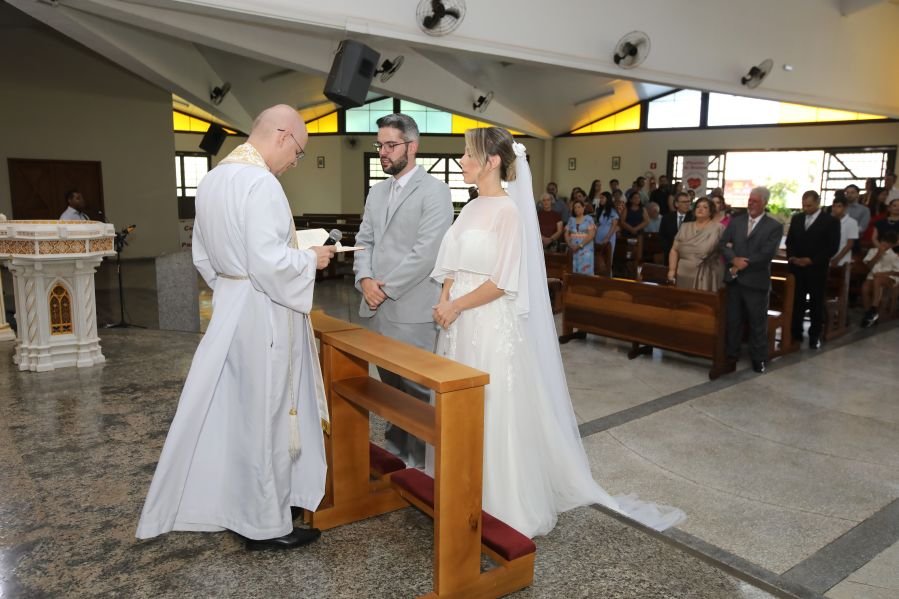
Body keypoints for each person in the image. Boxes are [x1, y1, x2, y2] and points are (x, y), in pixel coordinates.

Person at [430, 126, 684, 538]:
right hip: (457, 324)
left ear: (491, 162)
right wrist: (445, 299)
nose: (461, 160)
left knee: (492, 406)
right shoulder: (471, 207)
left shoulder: (509, 213)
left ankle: (498, 500)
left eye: (467, 154)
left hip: (488, 323)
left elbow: (503, 282)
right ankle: (458, 486)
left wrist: (456, 305)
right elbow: (452, 263)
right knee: (457, 405)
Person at [137, 105, 335, 549]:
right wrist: (311, 258)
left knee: (241, 413)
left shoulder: (213, 179)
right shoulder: (262, 184)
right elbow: (269, 263)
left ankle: (246, 505)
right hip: (264, 312)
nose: (295, 163)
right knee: (267, 415)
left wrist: (233, 287)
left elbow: (204, 257)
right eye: (298, 153)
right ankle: (265, 526)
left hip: (231, 307)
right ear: (282, 136)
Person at [353, 113, 454, 468]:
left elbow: (427, 252)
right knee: (389, 392)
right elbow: (364, 240)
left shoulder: (435, 191)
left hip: (412, 310)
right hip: (377, 310)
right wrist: (365, 280)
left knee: (417, 393)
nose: (382, 152)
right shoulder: (377, 191)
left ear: (412, 147)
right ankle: (397, 457)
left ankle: (422, 466)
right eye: (379, 145)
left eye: (390, 145)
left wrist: (385, 288)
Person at [719, 186, 783, 374]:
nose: (751, 203)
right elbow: (723, 244)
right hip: (735, 280)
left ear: (764, 203)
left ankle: (758, 358)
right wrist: (733, 259)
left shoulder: (774, 226)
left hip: (756, 281)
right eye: (749, 200)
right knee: (733, 320)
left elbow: (767, 253)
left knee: (757, 322)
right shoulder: (736, 222)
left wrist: (744, 263)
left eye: (755, 201)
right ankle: (732, 354)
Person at [786, 190, 841, 349]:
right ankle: (795, 333)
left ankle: (814, 334)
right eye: (804, 205)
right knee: (797, 301)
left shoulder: (830, 221)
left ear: (817, 202)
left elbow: (832, 246)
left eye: (809, 205)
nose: (806, 208)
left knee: (816, 302)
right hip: (797, 267)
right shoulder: (797, 218)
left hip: (816, 268)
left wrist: (812, 260)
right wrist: (793, 257)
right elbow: (790, 241)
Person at [667, 197, 723, 291]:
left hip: (706, 274)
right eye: (698, 207)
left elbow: (726, 249)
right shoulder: (685, 227)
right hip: (683, 272)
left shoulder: (718, 228)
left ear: (711, 211)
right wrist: (672, 270)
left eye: (705, 207)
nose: (700, 209)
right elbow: (674, 250)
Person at [860, 231, 899, 327]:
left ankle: (874, 308)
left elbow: (897, 272)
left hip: (889, 278)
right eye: (883, 241)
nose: (884, 244)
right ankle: (869, 315)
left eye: (888, 243)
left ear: (892, 245)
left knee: (877, 279)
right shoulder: (872, 251)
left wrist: (883, 274)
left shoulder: (894, 256)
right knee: (865, 287)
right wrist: (878, 255)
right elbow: (869, 266)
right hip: (872, 276)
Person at [659, 191, 695, 263]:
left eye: (688, 201)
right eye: (684, 202)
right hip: (669, 254)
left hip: (688, 257)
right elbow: (662, 236)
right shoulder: (667, 218)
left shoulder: (694, 218)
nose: (687, 204)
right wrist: (671, 250)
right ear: (676, 204)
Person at [564, 198, 596, 274]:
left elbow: (591, 234)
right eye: (575, 207)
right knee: (573, 270)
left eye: (579, 207)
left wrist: (580, 245)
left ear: (583, 207)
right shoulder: (571, 219)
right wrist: (569, 244)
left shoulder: (589, 219)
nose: (576, 209)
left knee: (585, 272)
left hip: (585, 248)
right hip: (573, 248)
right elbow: (566, 233)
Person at [593, 192, 619, 275]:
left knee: (608, 258)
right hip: (599, 236)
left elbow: (614, 225)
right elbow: (598, 223)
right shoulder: (601, 210)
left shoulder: (612, 211)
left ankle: (608, 277)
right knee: (598, 258)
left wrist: (608, 237)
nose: (600, 200)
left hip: (608, 236)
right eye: (600, 198)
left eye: (602, 198)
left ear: (608, 199)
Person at [830, 196, 859, 268]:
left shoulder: (852, 222)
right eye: (834, 206)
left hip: (842, 259)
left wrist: (837, 258)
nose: (835, 209)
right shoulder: (828, 221)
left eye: (839, 206)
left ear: (845, 208)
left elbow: (850, 243)